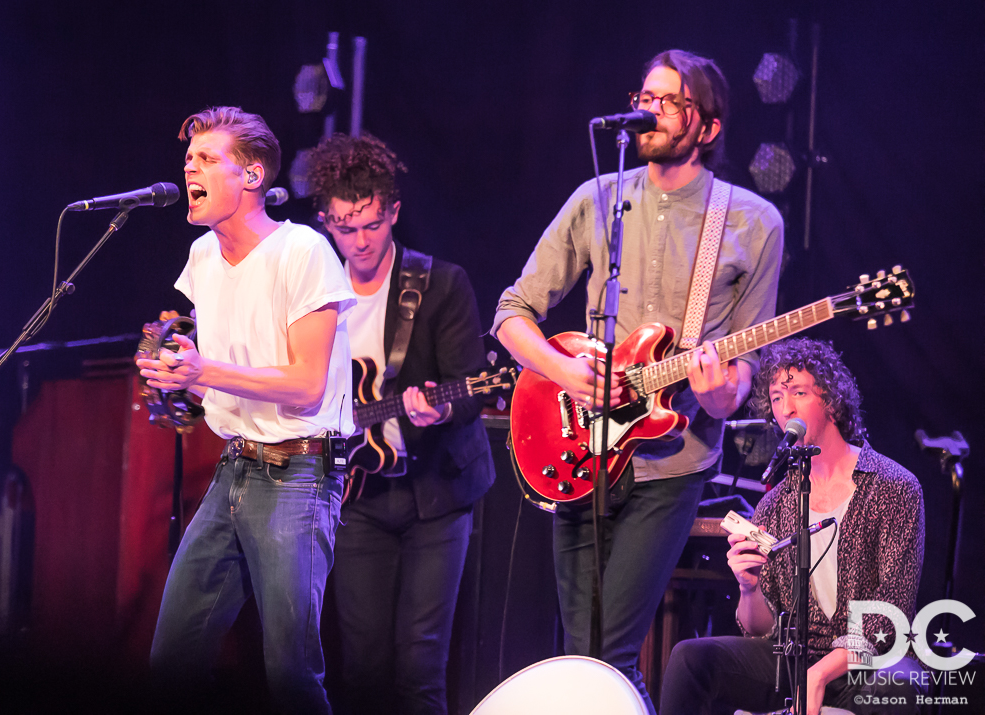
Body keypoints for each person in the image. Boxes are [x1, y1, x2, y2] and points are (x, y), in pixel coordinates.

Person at [493, 49, 784, 712]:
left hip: (671, 462)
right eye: (643, 96)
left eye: (667, 101)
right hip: (579, 447)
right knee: (577, 651)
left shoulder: (749, 221)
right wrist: (566, 370)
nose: (646, 111)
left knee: (610, 651)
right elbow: (511, 313)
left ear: (706, 127)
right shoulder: (597, 198)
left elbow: (743, 372)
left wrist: (718, 391)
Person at [136, 106, 356, 715]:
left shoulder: (301, 250)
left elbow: (307, 385)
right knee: (172, 660)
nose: (190, 168)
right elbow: (231, 385)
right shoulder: (203, 256)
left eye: (208, 159)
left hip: (298, 476)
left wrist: (204, 370)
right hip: (234, 470)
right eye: (189, 160)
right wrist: (180, 375)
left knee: (291, 675)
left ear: (253, 175)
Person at [308, 133, 495, 715]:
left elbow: (471, 384)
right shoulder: (313, 295)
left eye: (371, 225)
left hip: (436, 495)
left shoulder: (439, 284)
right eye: (343, 227)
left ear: (393, 212)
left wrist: (439, 406)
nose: (359, 242)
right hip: (357, 497)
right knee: (362, 667)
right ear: (324, 223)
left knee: (420, 666)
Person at [659, 338, 926, 715]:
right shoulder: (776, 502)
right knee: (691, 658)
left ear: (831, 400)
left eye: (798, 392)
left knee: (900, 686)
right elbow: (760, 627)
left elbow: (890, 613)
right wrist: (748, 586)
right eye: (777, 398)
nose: (787, 408)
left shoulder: (894, 486)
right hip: (793, 660)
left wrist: (818, 676)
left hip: (865, 663)